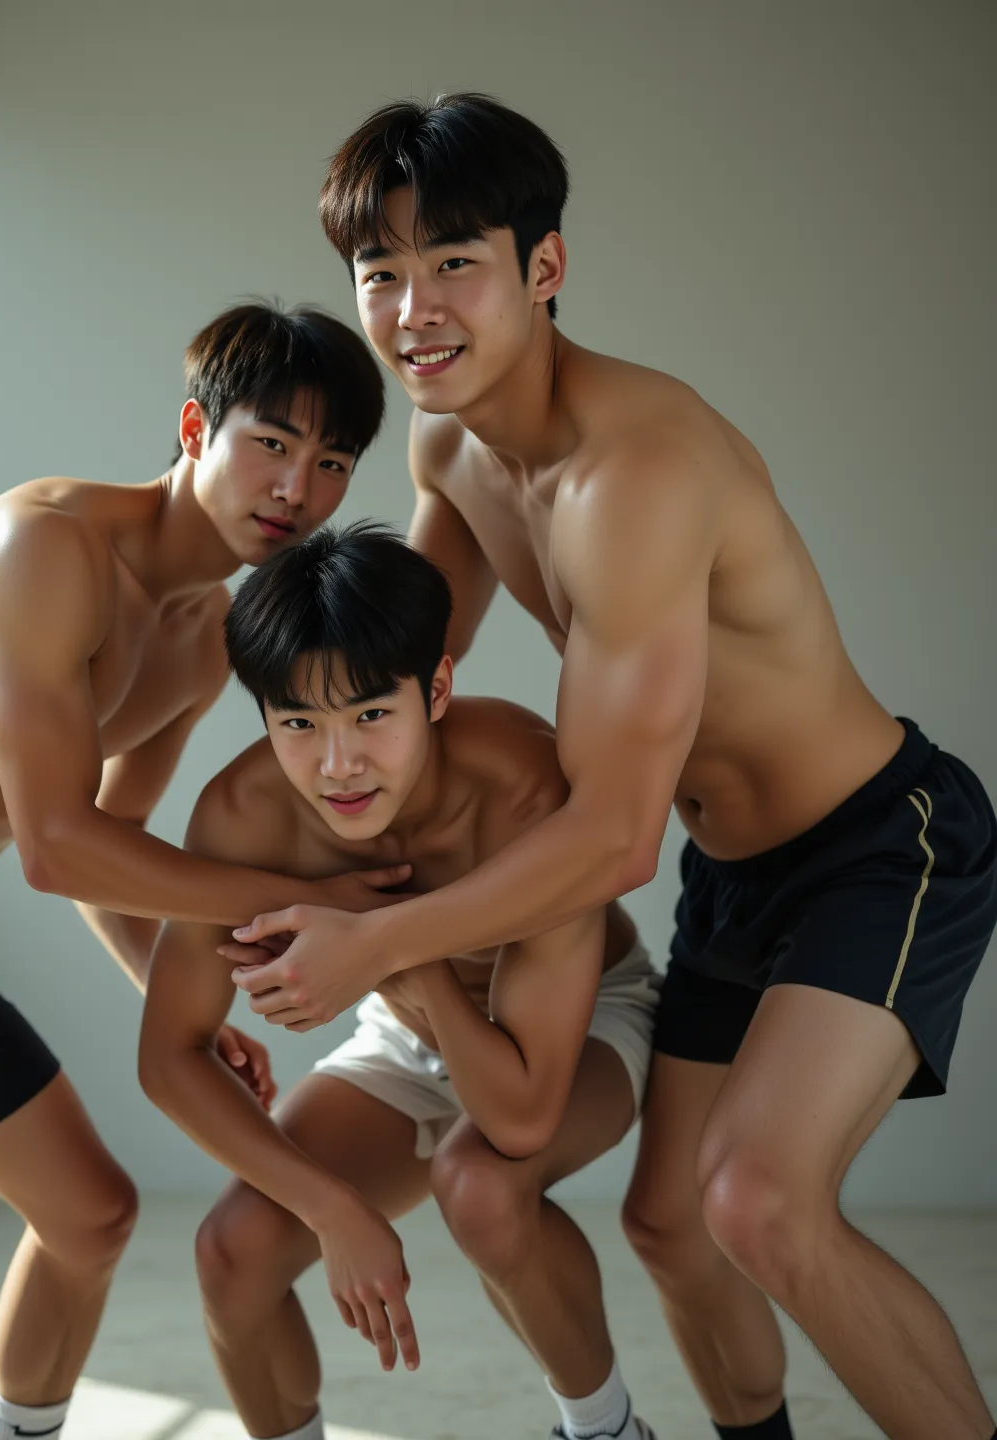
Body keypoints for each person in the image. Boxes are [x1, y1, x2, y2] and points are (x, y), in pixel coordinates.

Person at [226, 96, 997, 1440]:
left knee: (757, 1200)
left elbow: (613, 842)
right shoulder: (450, 443)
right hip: (736, 874)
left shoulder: (636, 473)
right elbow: (391, 688)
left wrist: (382, 943)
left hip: (881, 841)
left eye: (454, 263)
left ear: (546, 268)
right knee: (670, 1228)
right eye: (382, 275)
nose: (415, 310)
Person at [0, 301, 402, 1440]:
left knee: (91, 1216)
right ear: (197, 426)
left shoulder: (206, 638)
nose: (298, 486)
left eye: (332, 461)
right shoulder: (44, 547)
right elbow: (54, 848)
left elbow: (121, 839)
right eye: (273, 443)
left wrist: (172, 989)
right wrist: (305, 904)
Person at [140, 522, 661, 1440]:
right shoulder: (242, 812)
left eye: (371, 715)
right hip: (409, 1029)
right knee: (232, 1253)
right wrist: (333, 1209)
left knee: (482, 1184)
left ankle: (608, 1430)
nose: (337, 765)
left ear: (438, 689)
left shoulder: (525, 789)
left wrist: (391, 945)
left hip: (578, 1025)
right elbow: (169, 1058)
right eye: (299, 724)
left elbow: (519, 1114)